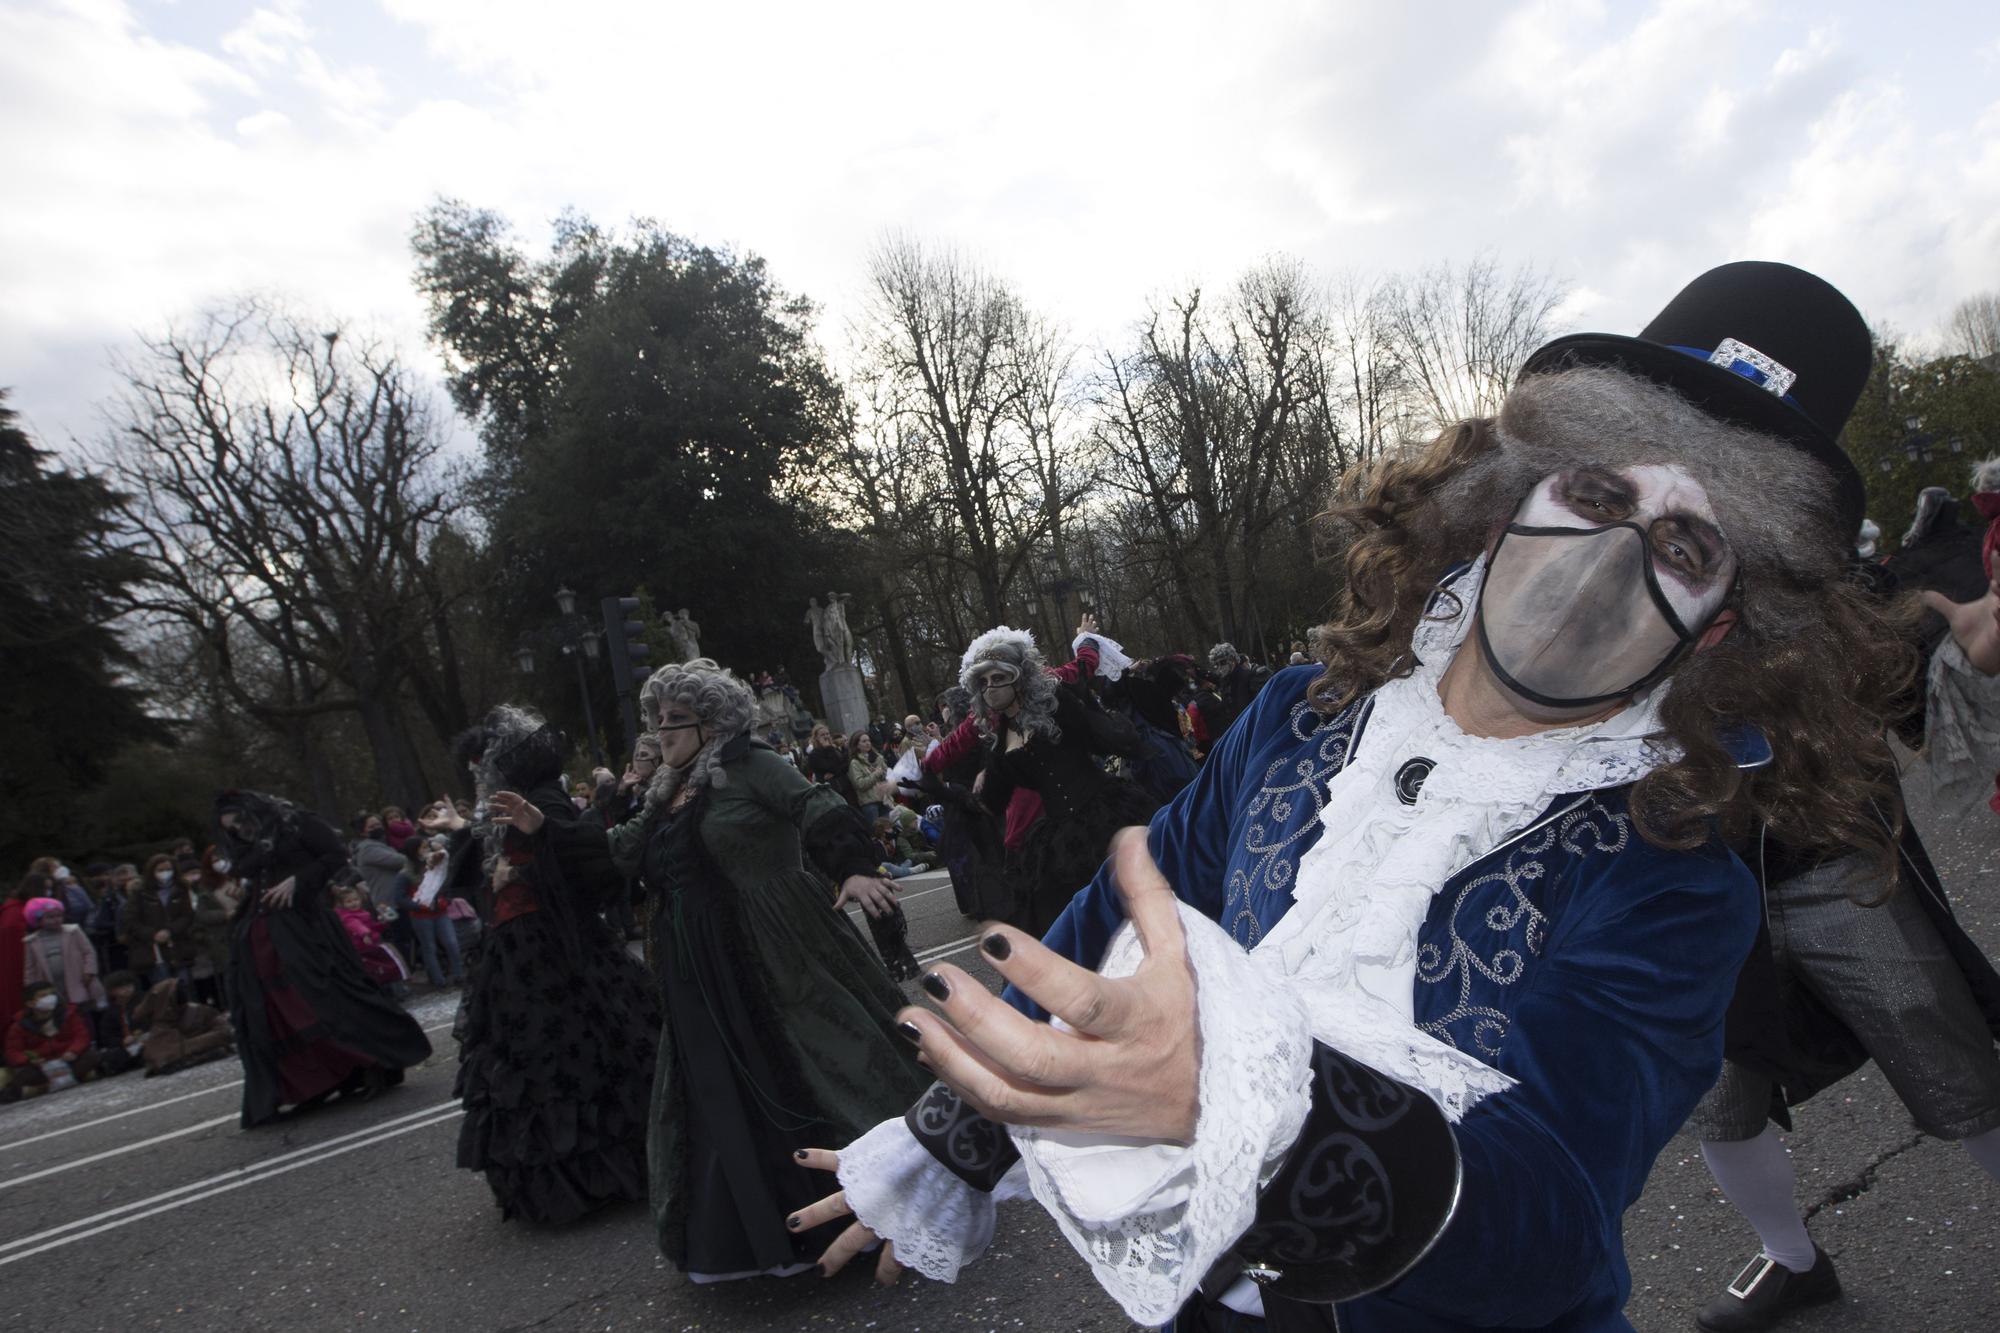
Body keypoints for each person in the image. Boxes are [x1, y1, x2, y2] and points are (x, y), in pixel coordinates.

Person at [797, 262, 1920, 1331]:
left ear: (1717, 623)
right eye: (1593, 494)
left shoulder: (1668, 882)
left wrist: (1264, 1118)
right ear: (1503, 507)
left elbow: (1550, 1217)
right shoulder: (1297, 713)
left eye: (1680, 545)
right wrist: (956, 1130)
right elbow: (1123, 923)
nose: (1603, 562)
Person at [493, 659, 931, 1281]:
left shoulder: (753, 765)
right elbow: (618, 855)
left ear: (712, 723)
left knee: (828, 1057)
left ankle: (892, 1191)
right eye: (658, 720)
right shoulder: (667, 789)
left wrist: (853, 866)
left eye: (677, 720)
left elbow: (819, 807)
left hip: (775, 944)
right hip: (695, 963)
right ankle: (758, 1230)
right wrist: (546, 830)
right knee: (720, 1085)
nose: (663, 732)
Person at [433, 706, 660, 1226]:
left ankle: (610, 1166)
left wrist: (526, 870)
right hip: (516, 956)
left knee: (583, 1058)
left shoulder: (544, 798)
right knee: (533, 1068)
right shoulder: (505, 801)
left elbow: (585, 868)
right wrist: (465, 835)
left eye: (481, 762)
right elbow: (486, 857)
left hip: (559, 950)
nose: (477, 772)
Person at [213, 790, 432, 1126]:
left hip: (305, 925)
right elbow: (252, 870)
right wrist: (242, 888)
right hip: (264, 932)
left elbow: (335, 856)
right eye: (231, 829)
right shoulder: (250, 842)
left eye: (241, 823)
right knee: (277, 1008)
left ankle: (371, 1064)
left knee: (327, 995)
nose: (239, 832)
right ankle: (314, 1081)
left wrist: (298, 881)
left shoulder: (297, 823)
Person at [959, 625, 1159, 937]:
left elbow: (1100, 736)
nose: (990, 688)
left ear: (1020, 675)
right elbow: (992, 802)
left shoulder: (1056, 703)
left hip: (1106, 812)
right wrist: (952, 794)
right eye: (983, 682)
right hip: (1058, 838)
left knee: (1140, 897)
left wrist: (1104, 715)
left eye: (998, 678)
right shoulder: (999, 740)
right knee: (1062, 921)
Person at [5, 981, 99, 1098]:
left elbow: (82, 1036)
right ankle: (79, 1077)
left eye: (52, 994)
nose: (50, 998)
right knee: (23, 1077)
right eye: (43, 996)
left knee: (91, 1056)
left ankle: (42, 1088)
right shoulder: (19, 1025)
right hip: (42, 1066)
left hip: (69, 1060)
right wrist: (28, 1060)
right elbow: (12, 1052)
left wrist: (73, 1051)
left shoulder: (68, 1014)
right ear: (30, 1003)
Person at [21, 896, 105, 1020]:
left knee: (83, 1012)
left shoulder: (73, 931)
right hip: (50, 985)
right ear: (38, 920)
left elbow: (89, 952)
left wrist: (89, 971)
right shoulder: (32, 941)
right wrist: (32, 989)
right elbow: (30, 967)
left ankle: (90, 1037)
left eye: (59, 916)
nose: (56, 920)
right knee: (60, 1014)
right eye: (50, 917)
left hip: (78, 980)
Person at [122, 852, 198, 986]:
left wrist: (170, 930)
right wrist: (152, 934)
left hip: (179, 947)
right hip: (153, 951)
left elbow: (187, 915)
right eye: (160, 870)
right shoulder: (140, 892)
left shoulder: (181, 889)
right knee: (162, 989)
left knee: (184, 985)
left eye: (168, 869)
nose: (165, 873)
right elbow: (131, 920)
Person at [332, 883, 409, 991]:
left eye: (355, 900)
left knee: (384, 967)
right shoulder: (347, 917)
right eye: (349, 901)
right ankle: (396, 989)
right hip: (365, 947)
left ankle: (395, 989)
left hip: (372, 943)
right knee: (390, 962)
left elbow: (372, 926)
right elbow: (355, 925)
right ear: (342, 904)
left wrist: (383, 923)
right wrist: (364, 934)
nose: (353, 903)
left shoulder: (363, 913)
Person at [848, 730, 893, 819]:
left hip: (885, 799)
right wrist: (876, 774)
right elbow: (860, 785)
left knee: (891, 828)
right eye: (864, 741)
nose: (868, 743)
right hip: (870, 803)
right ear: (857, 745)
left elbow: (886, 777)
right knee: (877, 831)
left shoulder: (878, 757)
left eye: (868, 740)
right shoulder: (855, 763)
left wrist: (882, 773)